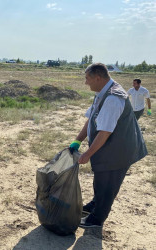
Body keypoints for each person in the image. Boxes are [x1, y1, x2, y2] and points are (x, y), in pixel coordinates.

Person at [69, 63, 147, 228]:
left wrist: (87, 154)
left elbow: (104, 132)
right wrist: (77, 141)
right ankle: (95, 205)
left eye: (87, 78)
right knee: (101, 180)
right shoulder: (102, 92)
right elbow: (91, 118)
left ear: (98, 78)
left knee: (107, 184)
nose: (85, 83)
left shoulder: (112, 98)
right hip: (109, 147)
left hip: (119, 151)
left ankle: (96, 220)